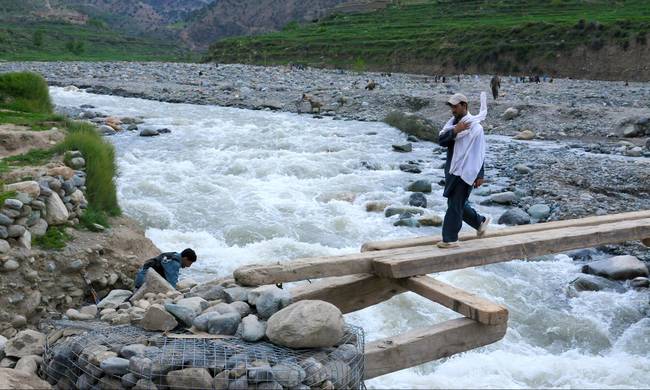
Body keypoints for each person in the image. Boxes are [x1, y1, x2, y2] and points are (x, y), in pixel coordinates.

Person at [437, 92, 491, 248]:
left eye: (455, 106)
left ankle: (450, 239)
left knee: (455, 204)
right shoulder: (452, 125)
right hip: (452, 170)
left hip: (467, 171)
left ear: (464, 106)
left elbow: (479, 152)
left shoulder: (476, 128)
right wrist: (455, 131)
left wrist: (480, 174)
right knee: (455, 202)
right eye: (451, 107)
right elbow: (441, 141)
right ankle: (480, 222)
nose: (453, 110)